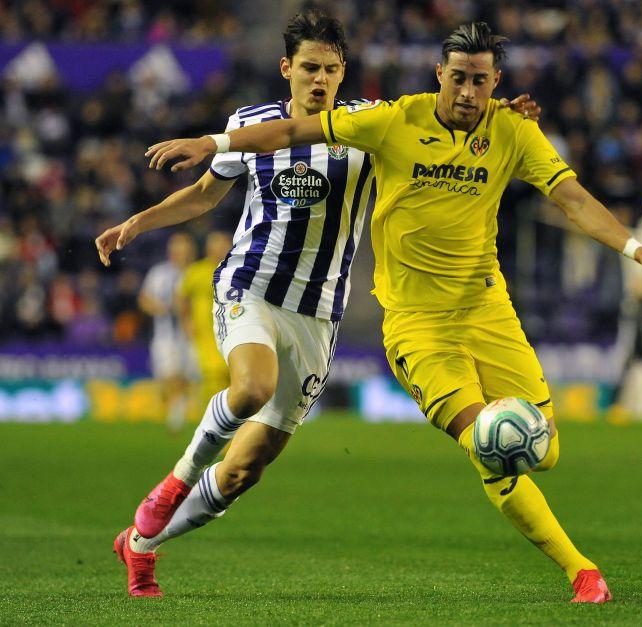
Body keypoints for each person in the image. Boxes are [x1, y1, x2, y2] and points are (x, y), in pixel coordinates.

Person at [145, 22, 642, 604]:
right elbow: (294, 128)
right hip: (416, 326)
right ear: (439, 76)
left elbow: (572, 198)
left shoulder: (513, 131)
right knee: (489, 443)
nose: (467, 92)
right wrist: (216, 143)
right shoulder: (395, 120)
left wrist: (636, 250)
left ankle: (148, 536)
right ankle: (583, 573)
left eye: (480, 81)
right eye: (457, 78)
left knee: (544, 450)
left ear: (495, 82)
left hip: (487, 311)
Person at [98, 12, 539, 598]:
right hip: (249, 288)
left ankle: (141, 544)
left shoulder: (367, 128)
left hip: (318, 313)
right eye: (309, 67)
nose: (319, 80)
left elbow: (443, 126)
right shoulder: (251, 124)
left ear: (343, 73)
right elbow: (206, 194)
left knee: (241, 471)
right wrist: (137, 223)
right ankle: (170, 487)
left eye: (331, 69)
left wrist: (499, 116)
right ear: (287, 68)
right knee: (250, 389)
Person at [138, 231, 197, 431]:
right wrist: (159, 308)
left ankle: (178, 413)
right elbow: (144, 299)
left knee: (184, 377)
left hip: (193, 336)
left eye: (183, 247)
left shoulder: (198, 272)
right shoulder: (159, 273)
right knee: (167, 378)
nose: (179, 252)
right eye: (176, 247)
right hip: (165, 336)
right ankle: (175, 407)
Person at [176, 231, 233, 420]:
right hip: (206, 336)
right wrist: (186, 322)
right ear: (209, 248)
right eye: (216, 244)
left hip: (232, 332)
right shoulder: (196, 271)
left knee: (234, 379)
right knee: (214, 377)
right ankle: (213, 427)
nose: (220, 248)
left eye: (223, 243)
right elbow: (181, 298)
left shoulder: (234, 269)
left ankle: (232, 428)